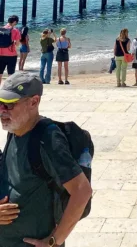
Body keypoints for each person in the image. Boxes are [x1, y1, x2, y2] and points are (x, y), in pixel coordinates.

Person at [0, 72, 93, 247]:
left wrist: (53, 241)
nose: (2, 111)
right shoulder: (15, 131)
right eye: (0, 104)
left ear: (34, 102)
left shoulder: (48, 139)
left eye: (9, 105)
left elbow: (82, 191)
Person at [0, 17, 20, 84]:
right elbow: (17, 44)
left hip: (1, 54)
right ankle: (8, 91)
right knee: (10, 74)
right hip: (11, 55)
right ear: (14, 22)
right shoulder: (16, 30)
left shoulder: (1, 29)